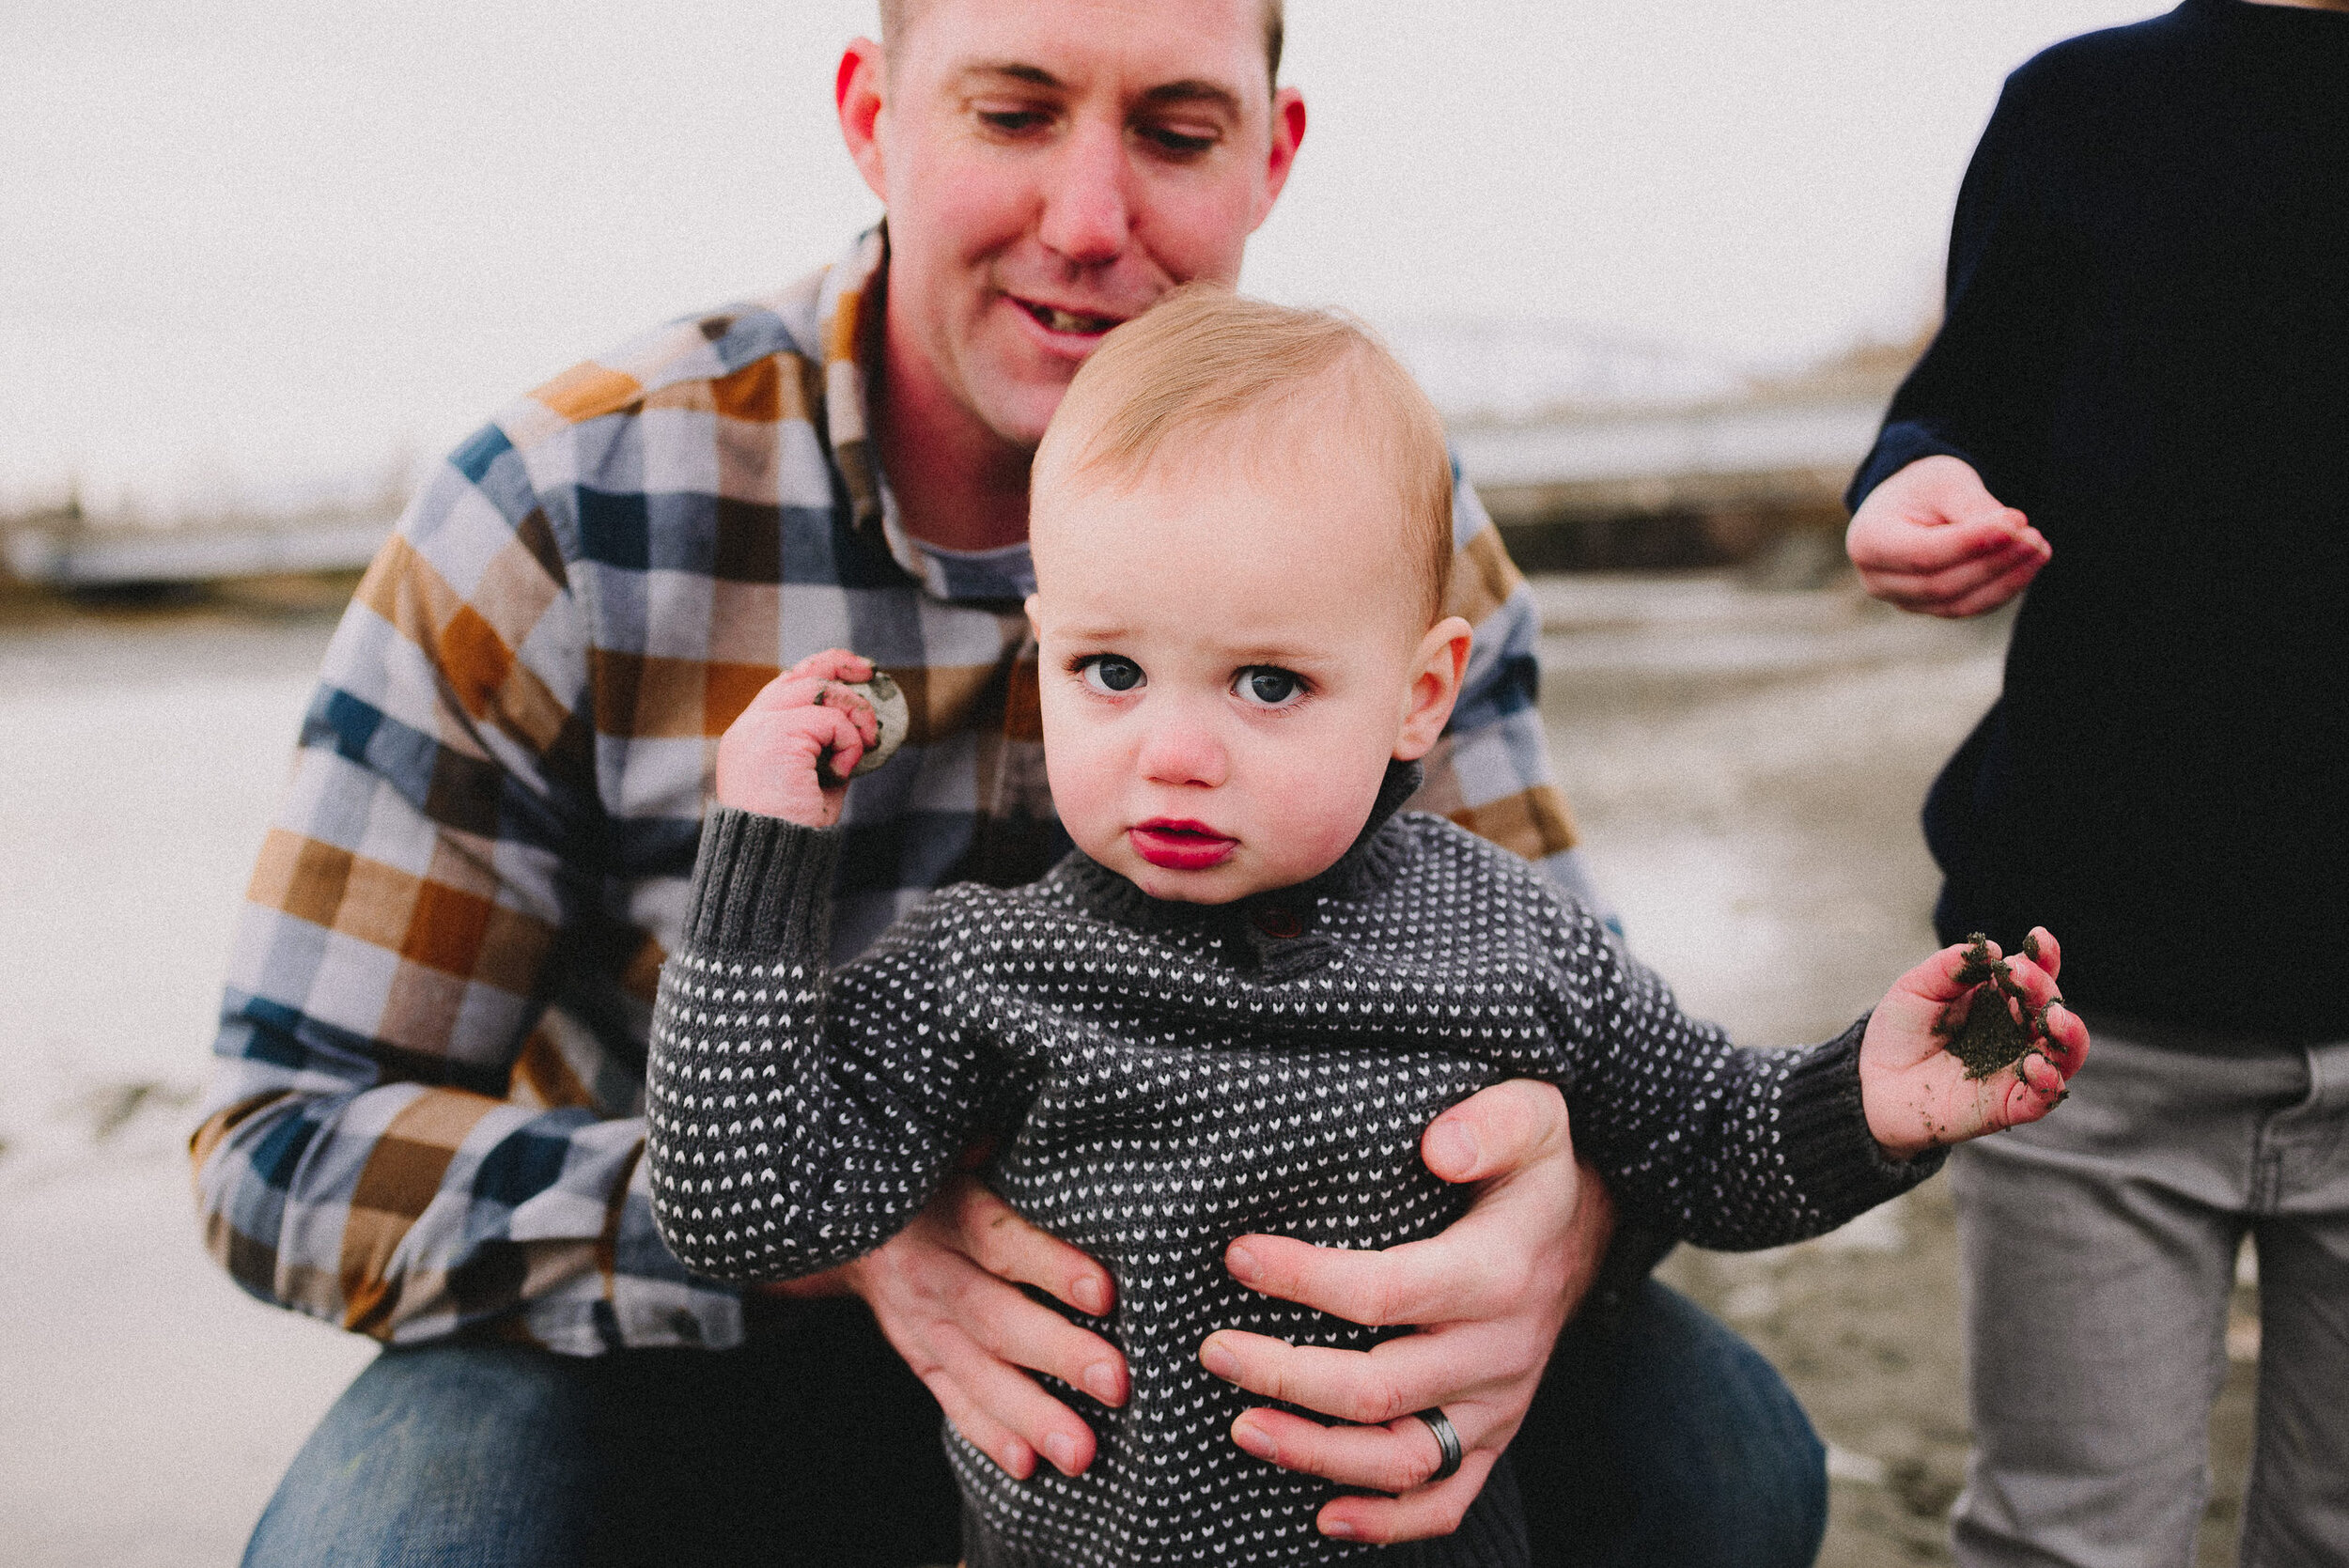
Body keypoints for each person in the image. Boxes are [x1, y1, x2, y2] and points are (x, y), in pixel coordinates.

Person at [197, 2, 1821, 1562]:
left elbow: (1604, 1039)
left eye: (1178, 133)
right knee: (398, 1535)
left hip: (1229, 1368)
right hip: (688, 1334)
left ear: (1274, 154)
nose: (1091, 217)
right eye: (1014, 111)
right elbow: (285, 1140)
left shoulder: (1363, 518)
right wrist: (860, 1238)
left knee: (1719, 1451)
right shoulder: (557, 511)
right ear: (870, 117)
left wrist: (1568, 1222)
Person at [649, 287, 2088, 1568]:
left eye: (1266, 684)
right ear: (1045, 651)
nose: (1176, 751)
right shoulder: (986, 970)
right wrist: (765, 859)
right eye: (1111, 669)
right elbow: (744, 1206)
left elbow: (1707, 1138)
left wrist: (1871, 1098)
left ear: (1419, 693)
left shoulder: (1505, 932)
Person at [1842, 3, 2349, 1563]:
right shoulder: (2084, 108)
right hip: (2078, 1022)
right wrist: (1909, 485)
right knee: (2074, 1535)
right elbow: (1964, 406)